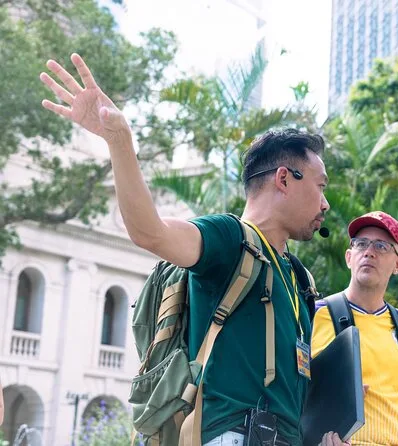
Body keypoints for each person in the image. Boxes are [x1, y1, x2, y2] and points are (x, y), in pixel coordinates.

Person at [40, 54, 346, 446]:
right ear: (284, 179)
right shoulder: (230, 238)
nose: (326, 203)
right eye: (320, 186)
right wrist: (119, 141)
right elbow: (150, 232)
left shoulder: (300, 278)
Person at [310, 211, 398, 446]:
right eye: (361, 244)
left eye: (381, 246)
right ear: (349, 257)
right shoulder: (316, 313)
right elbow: (290, 387)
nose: (369, 252)